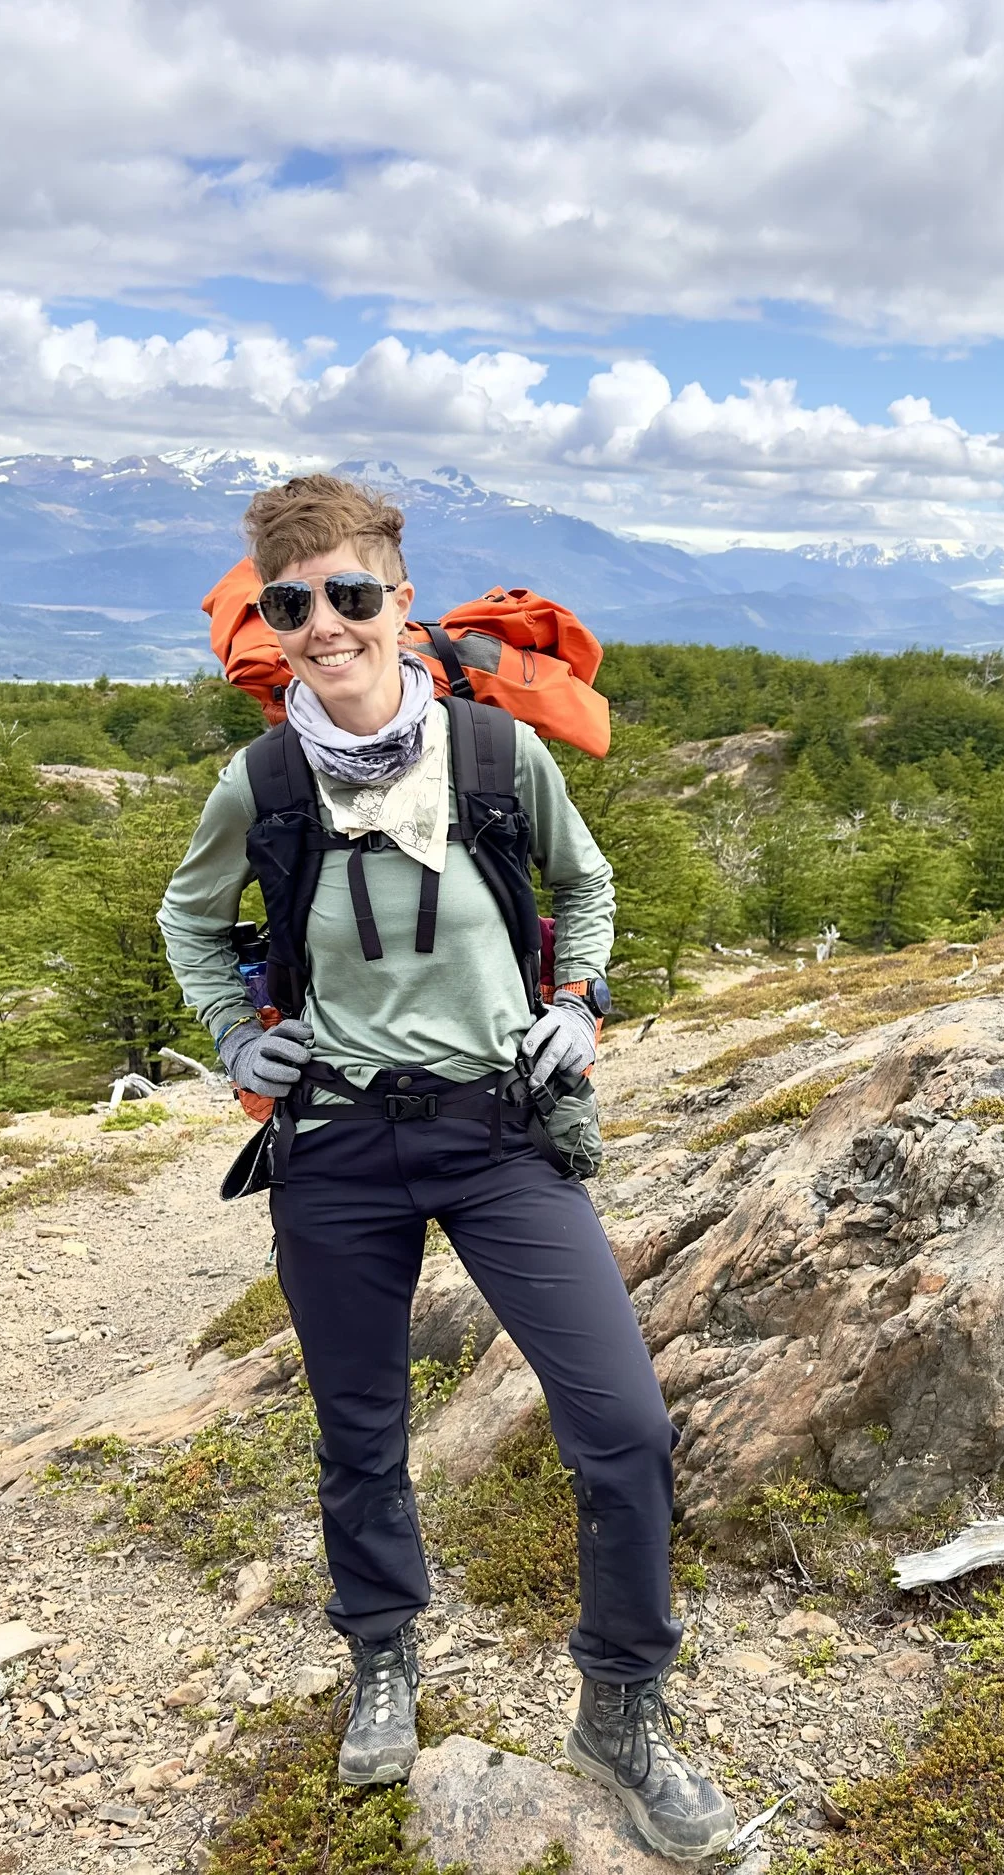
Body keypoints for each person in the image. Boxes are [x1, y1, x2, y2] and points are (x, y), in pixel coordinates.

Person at [155, 475, 736, 1861]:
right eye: (292, 603)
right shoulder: (268, 780)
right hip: (338, 1148)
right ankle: (382, 1660)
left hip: (497, 1132)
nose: (324, 624)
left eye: (351, 595)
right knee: (359, 1430)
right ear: (271, 618)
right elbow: (188, 917)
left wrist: (579, 1007)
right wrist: (240, 1035)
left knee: (626, 1426)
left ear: (400, 602)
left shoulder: (488, 754)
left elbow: (584, 881)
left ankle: (622, 1704)